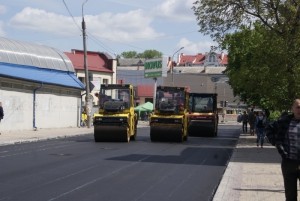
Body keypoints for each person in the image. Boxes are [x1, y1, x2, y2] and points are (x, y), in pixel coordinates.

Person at [273, 99, 300, 201]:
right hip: (289, 163)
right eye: (297, 107)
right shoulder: (285, 121)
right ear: (292, 108)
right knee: (290, 196)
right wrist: (277, 145)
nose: (299, 109)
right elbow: (269, 128)